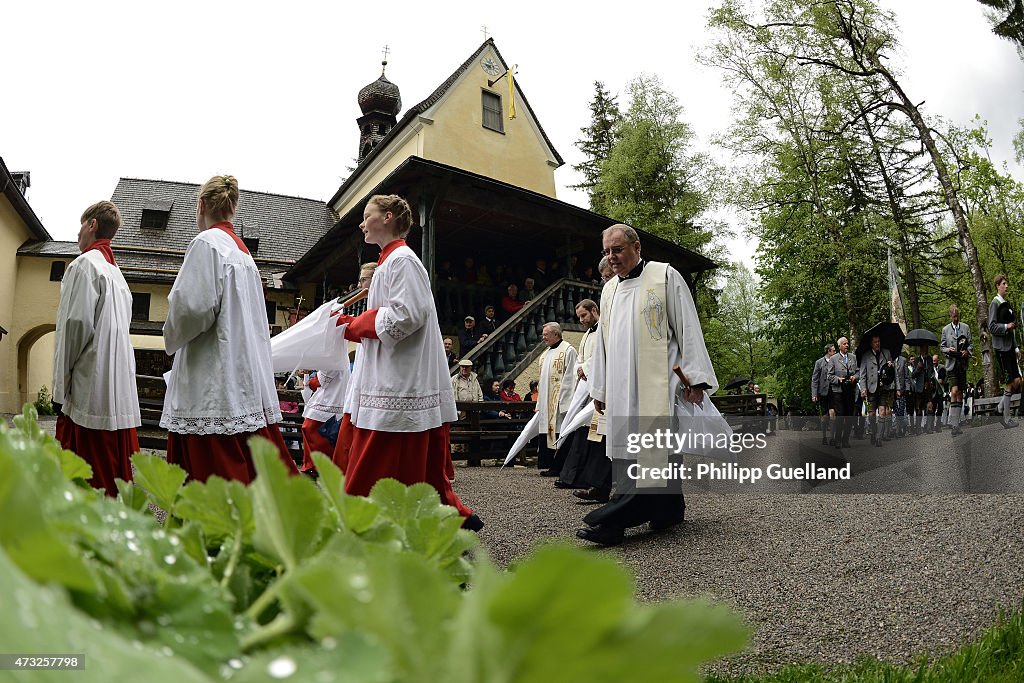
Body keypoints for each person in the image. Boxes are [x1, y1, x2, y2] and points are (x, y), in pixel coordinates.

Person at [333, 194, 481, 530]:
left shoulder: (402, 260)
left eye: (366, 215)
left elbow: (406, 315)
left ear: (387, 218)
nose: (360, 223)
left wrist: (355, 325)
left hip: (398, 381)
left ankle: (365, 528)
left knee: (380, 465)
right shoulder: (390, 262)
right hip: (392, 376)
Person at [578, 225, 726, 546]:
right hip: (619, 387)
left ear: (636, 246)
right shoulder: (609, 291)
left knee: (656, 449)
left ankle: (613, 521)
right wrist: (599, 389)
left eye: (617, 250)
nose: (611, 258)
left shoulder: (665, 277)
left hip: (659, 385)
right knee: (636, 452)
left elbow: (687, 326)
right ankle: (669, 509)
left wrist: (695, 378)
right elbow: (603, 344)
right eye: (606, 252)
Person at [161, 175, 296, 482]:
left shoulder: (206, 243)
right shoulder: (243, 255)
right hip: (242, 378)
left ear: (202, 205)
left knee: (212, 481)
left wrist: (170, 335)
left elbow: (192, 309)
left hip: (213, 382)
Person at [52, 200, 141, 496]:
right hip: (117, 391)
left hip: (89, 391)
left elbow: (73, 329)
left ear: (92, 225)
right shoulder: (119, 277)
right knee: (113, 483)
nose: (78, 234)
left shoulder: (83, 266)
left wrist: (58, 389)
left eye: (81, 225)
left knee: (84, 480)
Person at [301, 263, 374, 475]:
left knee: (315, 430)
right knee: (317, 431)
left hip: (333, 396)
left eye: (363, 280)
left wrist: (311, 378)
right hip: (333, 394)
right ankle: (315, 467)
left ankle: (318, 468)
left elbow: (329, 372)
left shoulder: (338, 344)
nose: (359, 285)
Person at [534, 322, 578, 476]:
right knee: (548, 433)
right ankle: (550, 465)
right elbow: (542, 381)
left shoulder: (568, 350)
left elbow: (571, 378)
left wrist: (566, 403)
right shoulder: (545, 354)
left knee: (560, 432)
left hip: (560, 403)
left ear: (556, 334)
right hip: (547, 403)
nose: (543, 337)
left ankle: (559, 467)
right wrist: (539, 402)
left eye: (546, 334)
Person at [988, 274, 1020, 428]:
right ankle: (1006, 419)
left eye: (1006, 283)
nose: (1006, 286)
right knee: (1008, 383)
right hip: (1000, 348)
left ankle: (999, 408)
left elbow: (1012, 325)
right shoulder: (995, 303)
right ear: (997, 286)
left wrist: (1016, 347)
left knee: (1017, 381)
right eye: (1004, 283)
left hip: (1009, 347)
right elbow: (992, 326)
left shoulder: (1006, 304)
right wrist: (1006, 327)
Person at [940, 304, 972, 436]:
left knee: (960, 394)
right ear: (950, 316)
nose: (955, 319)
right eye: (953, 317)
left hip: (962, 365)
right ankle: (953, 425)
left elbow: (970, 345)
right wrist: (949, 350)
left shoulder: (965, 327)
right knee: (954, 391)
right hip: (951, 365)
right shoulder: (945, 330)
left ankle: (956, 424)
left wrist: (967, 352)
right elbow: (942, 347)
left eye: (957, 317)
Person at [860, 334, 895, 447]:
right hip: (871, 388)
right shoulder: (866, 356)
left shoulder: (886, 353)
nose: (877, 344)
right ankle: (874, 432)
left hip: (883, 387)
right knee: (871, 414)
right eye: (875, 342)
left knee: (882, 412)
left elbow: (892, 373)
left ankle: (879, 437)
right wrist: (863, 388)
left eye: (879, 341)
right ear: (871, 344)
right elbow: (862, 375)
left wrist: (891, 365)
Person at [827, 336, 859, 449]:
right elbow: (829, 376)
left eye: (847, 343)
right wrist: (838, 379)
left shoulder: (853, 358)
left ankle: (846, 440)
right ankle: (838, 440)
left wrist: (855, 377)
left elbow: (859, 372)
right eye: (844, 344)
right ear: (839, 346)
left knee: (849, 416)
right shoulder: (833, 359)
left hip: (850, 390)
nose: (846, 345)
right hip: (838, 391)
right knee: (840, 416)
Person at [811, 343, 836, 445]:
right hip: (823, 392)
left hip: (834, 391)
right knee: (825, 416)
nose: (835, 352)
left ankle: (832, 437)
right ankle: (824, 435)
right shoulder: (819, 363)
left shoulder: (837, 361)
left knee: (833, 414)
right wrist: (814, 394)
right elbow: (815, 379)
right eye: (833, 351)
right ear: (828, 351)